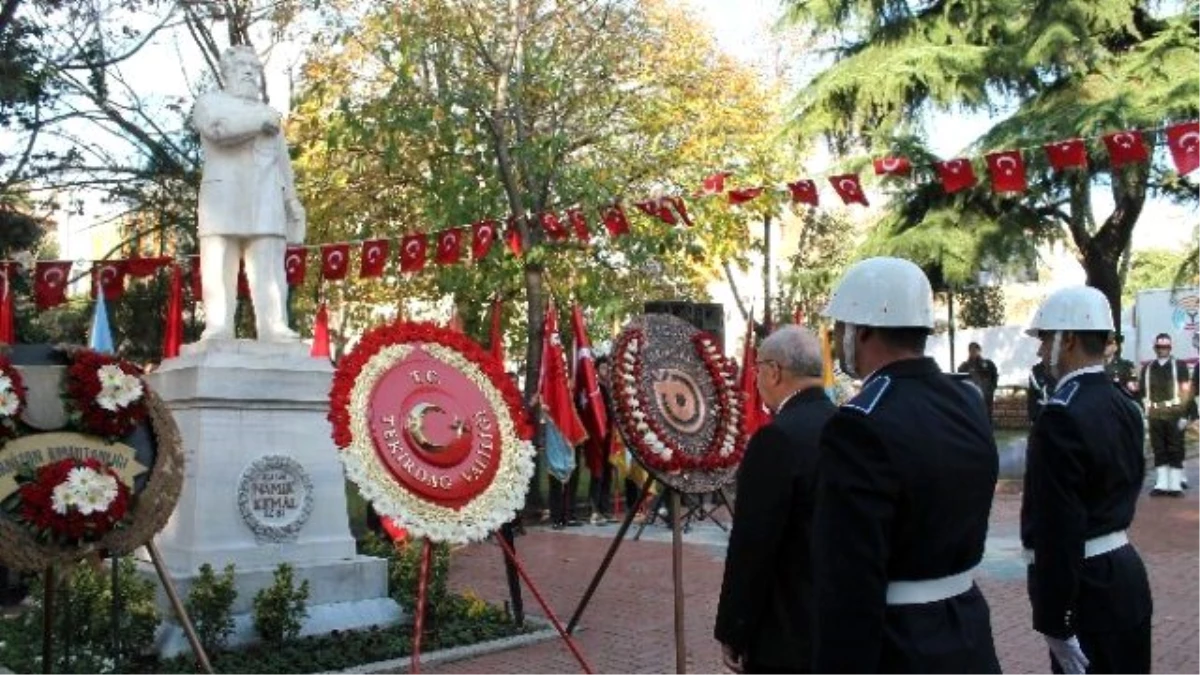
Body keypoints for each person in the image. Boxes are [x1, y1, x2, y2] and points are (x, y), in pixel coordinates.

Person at [812, 256, 1001, 674]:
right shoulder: (967, 401)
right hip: (967, 629)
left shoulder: (859, 424)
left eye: (841, 327)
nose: (838, 337)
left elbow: (849, 579)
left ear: (861, 331)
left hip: (899, 646)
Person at [1021, 286, 1153, 675]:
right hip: (1124, 576)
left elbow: (1058, 526)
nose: (1042, 351)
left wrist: (1054, 617)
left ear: (1070, 339)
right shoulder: (1125, 405)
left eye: (1046, 339)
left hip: (1086, 588)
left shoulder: (1060, 414)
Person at [714, 325, 835, 675]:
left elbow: (753, 545)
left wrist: (734, 629)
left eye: (758, 368)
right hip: (840, 622)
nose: (756, 378)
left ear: (775, 371)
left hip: (787, 633)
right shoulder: (848, 426)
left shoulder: (776, 439)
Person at [193, 45, 305, 342]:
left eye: (253, 67)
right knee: (218, 264)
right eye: (241, 65)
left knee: (269, 265)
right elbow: (218, 131)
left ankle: (274, 325)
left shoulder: (269, 113)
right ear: (226, 72)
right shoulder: (209, 103)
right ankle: (218, 326)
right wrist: (257, 124)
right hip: (223, 196)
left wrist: (291, 199)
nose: (248, 71)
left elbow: (282, 159)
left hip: (265, 194)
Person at [1138, 333, 1190, 496]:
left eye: (1166, 347)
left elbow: (1185, 392)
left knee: (1175, 447)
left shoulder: (1179, 366)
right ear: (1155, 348)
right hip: (1154, 413)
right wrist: (1145, 414)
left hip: (1174, 412)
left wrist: (1184, 415)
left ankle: (1175, 484)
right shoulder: (1148, 368)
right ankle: (1162, 483)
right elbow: (1142, 392)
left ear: (1170, 347)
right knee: (1158, 448)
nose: (1163, 350)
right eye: (1160, 347)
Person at [958, 341, 999, 422]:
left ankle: (988, 433)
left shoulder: (988, 364)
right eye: (971, 350)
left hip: (985, 396)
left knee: (986, 417)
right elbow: (960, 379)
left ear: (979, 351)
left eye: (975, 350)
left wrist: (991, 389)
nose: (973, 352)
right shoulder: (964, 366)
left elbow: (995, 376)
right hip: (971, 397)